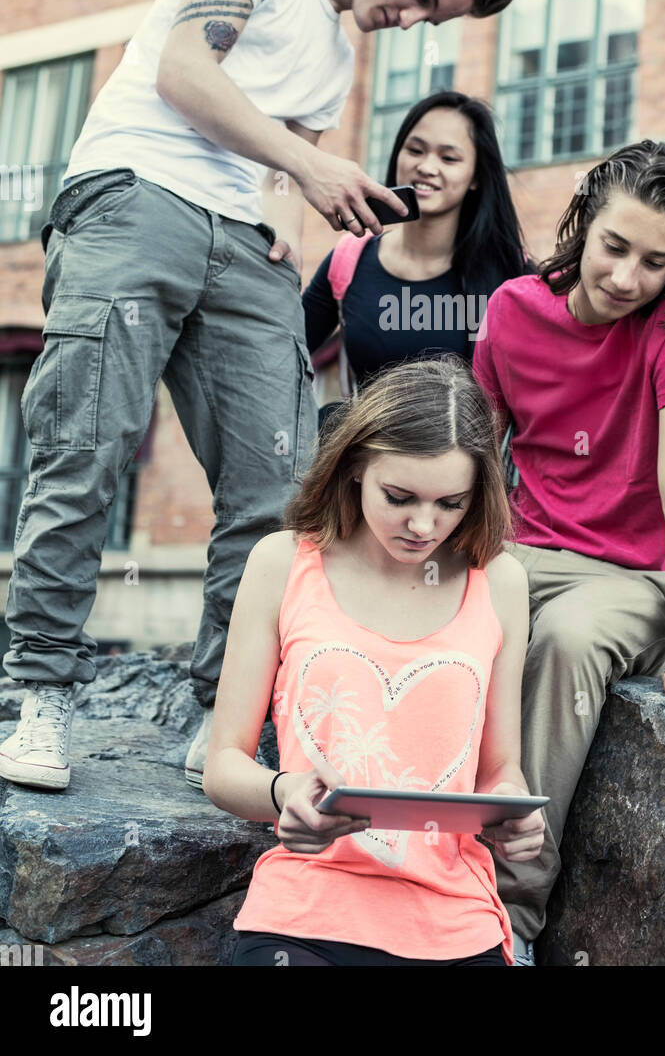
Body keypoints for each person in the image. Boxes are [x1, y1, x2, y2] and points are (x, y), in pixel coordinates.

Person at [0, 0, 525, 793]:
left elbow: (288, 173)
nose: (412, 20)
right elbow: (183, 73)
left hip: (243, 244)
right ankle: (37, 694)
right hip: (136, 195)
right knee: (85, 446)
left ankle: (222, 709)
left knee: (281, 482)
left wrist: (297, 202)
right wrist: (309, 166)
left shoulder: (338, 60)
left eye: (433, 18)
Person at [471, 139, 665, 966]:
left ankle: (507, 915)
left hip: (631, 578)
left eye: (654, 262)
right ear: (582, 223)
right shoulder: (511, 310)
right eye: (615, 246)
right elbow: (472, 464)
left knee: (564, 642)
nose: (625, 277)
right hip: (524, 551)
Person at [202, 357, 545, 967]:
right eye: (399, 496)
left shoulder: (502, 582)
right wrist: (285, 793)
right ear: (355, 467)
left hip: (453, 922)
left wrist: (512, 816)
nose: (422, 525)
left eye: (450, 503)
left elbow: (500, 770)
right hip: (303, 913)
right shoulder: (283, 563)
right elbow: (223, 765)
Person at [301, 90, 533, 426]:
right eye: (415, 150)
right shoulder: (349, 259)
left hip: (464, 474)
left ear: (476, 177)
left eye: (449, 159)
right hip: (365, 469)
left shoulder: (513, 274)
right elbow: (282, 353)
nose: (426, 167)